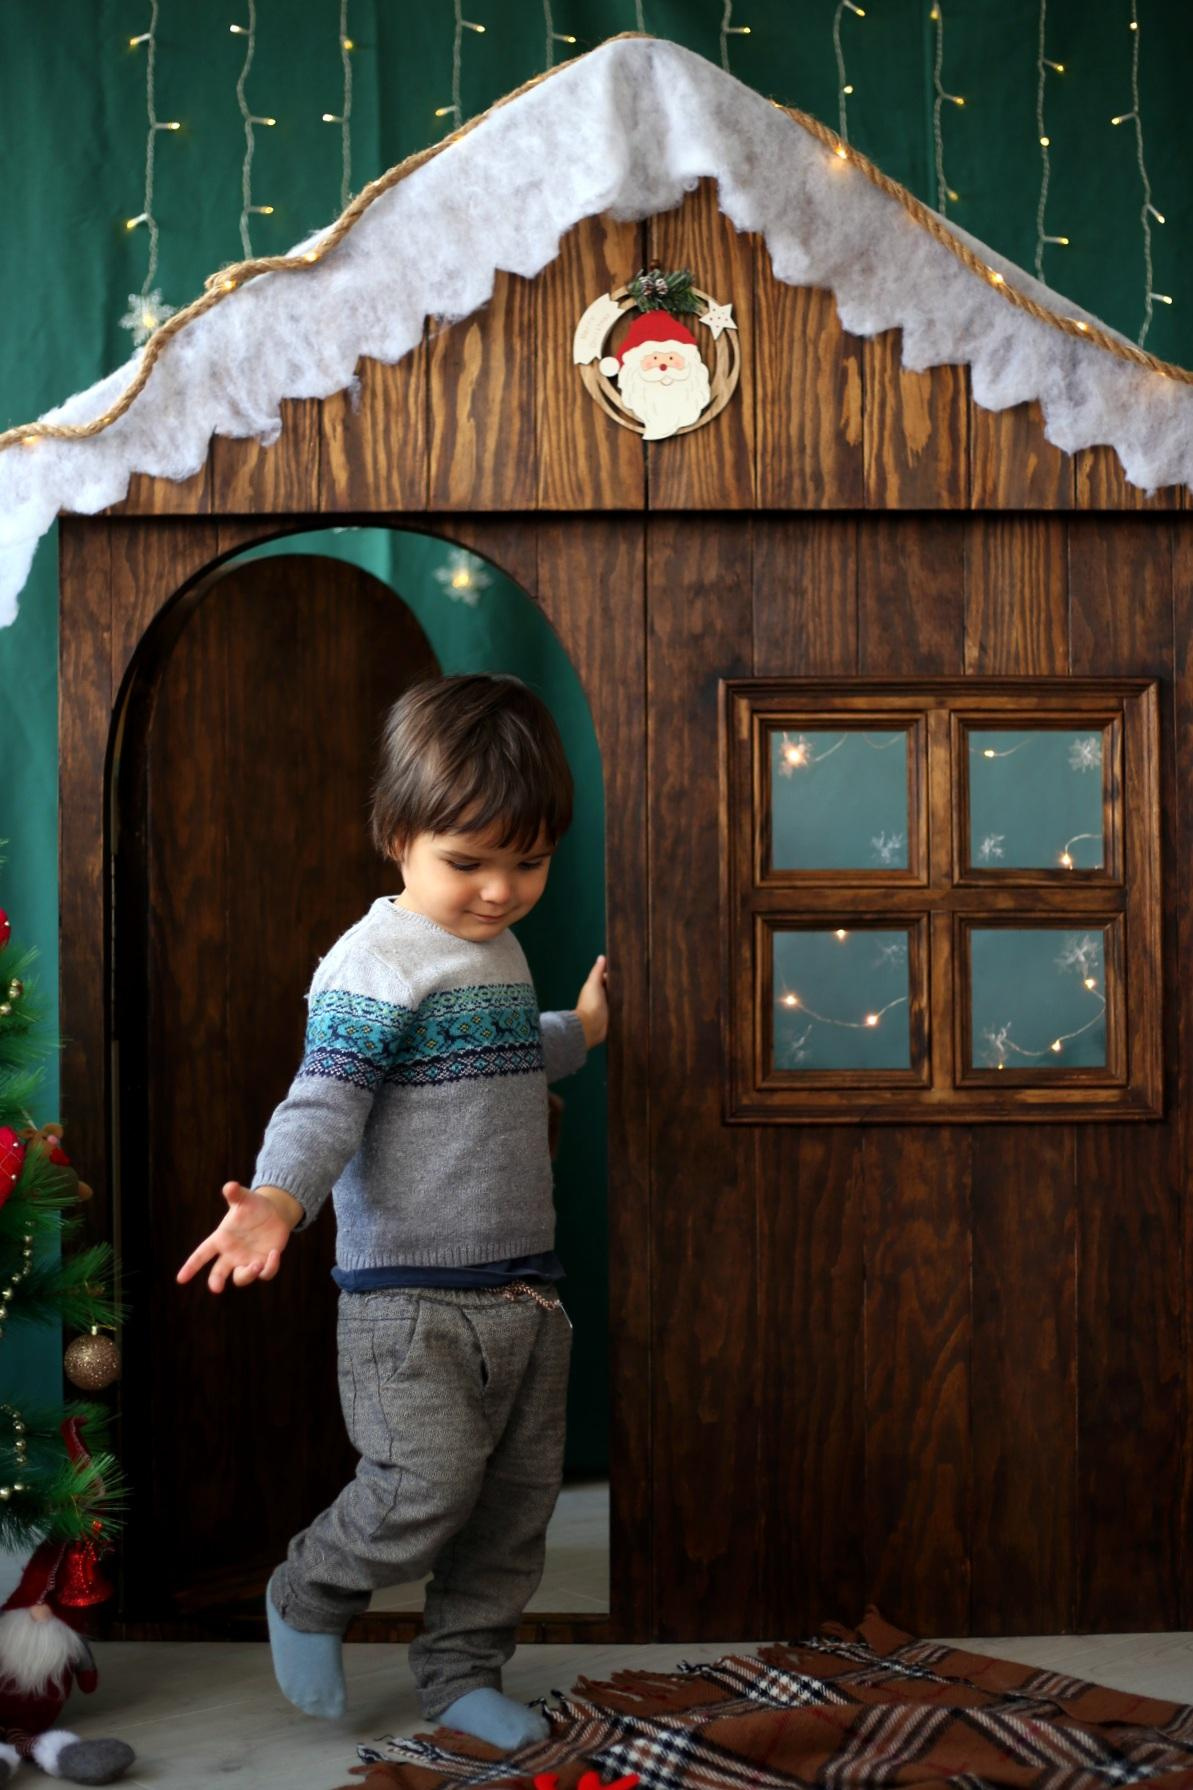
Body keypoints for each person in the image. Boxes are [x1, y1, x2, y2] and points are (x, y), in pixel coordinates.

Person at [176, 673, 608, 1753]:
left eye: (529, 861)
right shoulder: (371, 963)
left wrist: (581, 1030)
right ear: (396, 833)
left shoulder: (494, 949)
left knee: (512, 1512)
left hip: (525, 1294)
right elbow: (325, 1098)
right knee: (424, 1484)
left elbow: (507, 1048)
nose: (501, 891)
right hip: (408, 1303)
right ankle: (310, 1586)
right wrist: (278, 1198)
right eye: (469, 862)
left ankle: (461, 1673)